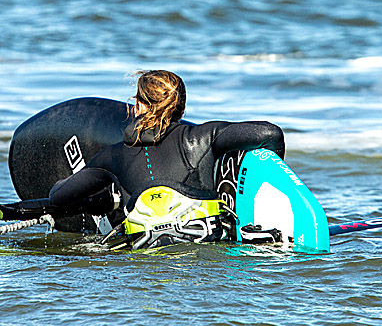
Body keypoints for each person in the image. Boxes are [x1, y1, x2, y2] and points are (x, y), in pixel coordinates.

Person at [47, 70, 285, 249]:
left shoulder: (112, 155)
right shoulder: (202, 137)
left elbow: (59, 197)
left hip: (143, 258)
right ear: (180, 107)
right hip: (206, 254)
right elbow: (270, 133)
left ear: (139, 105)